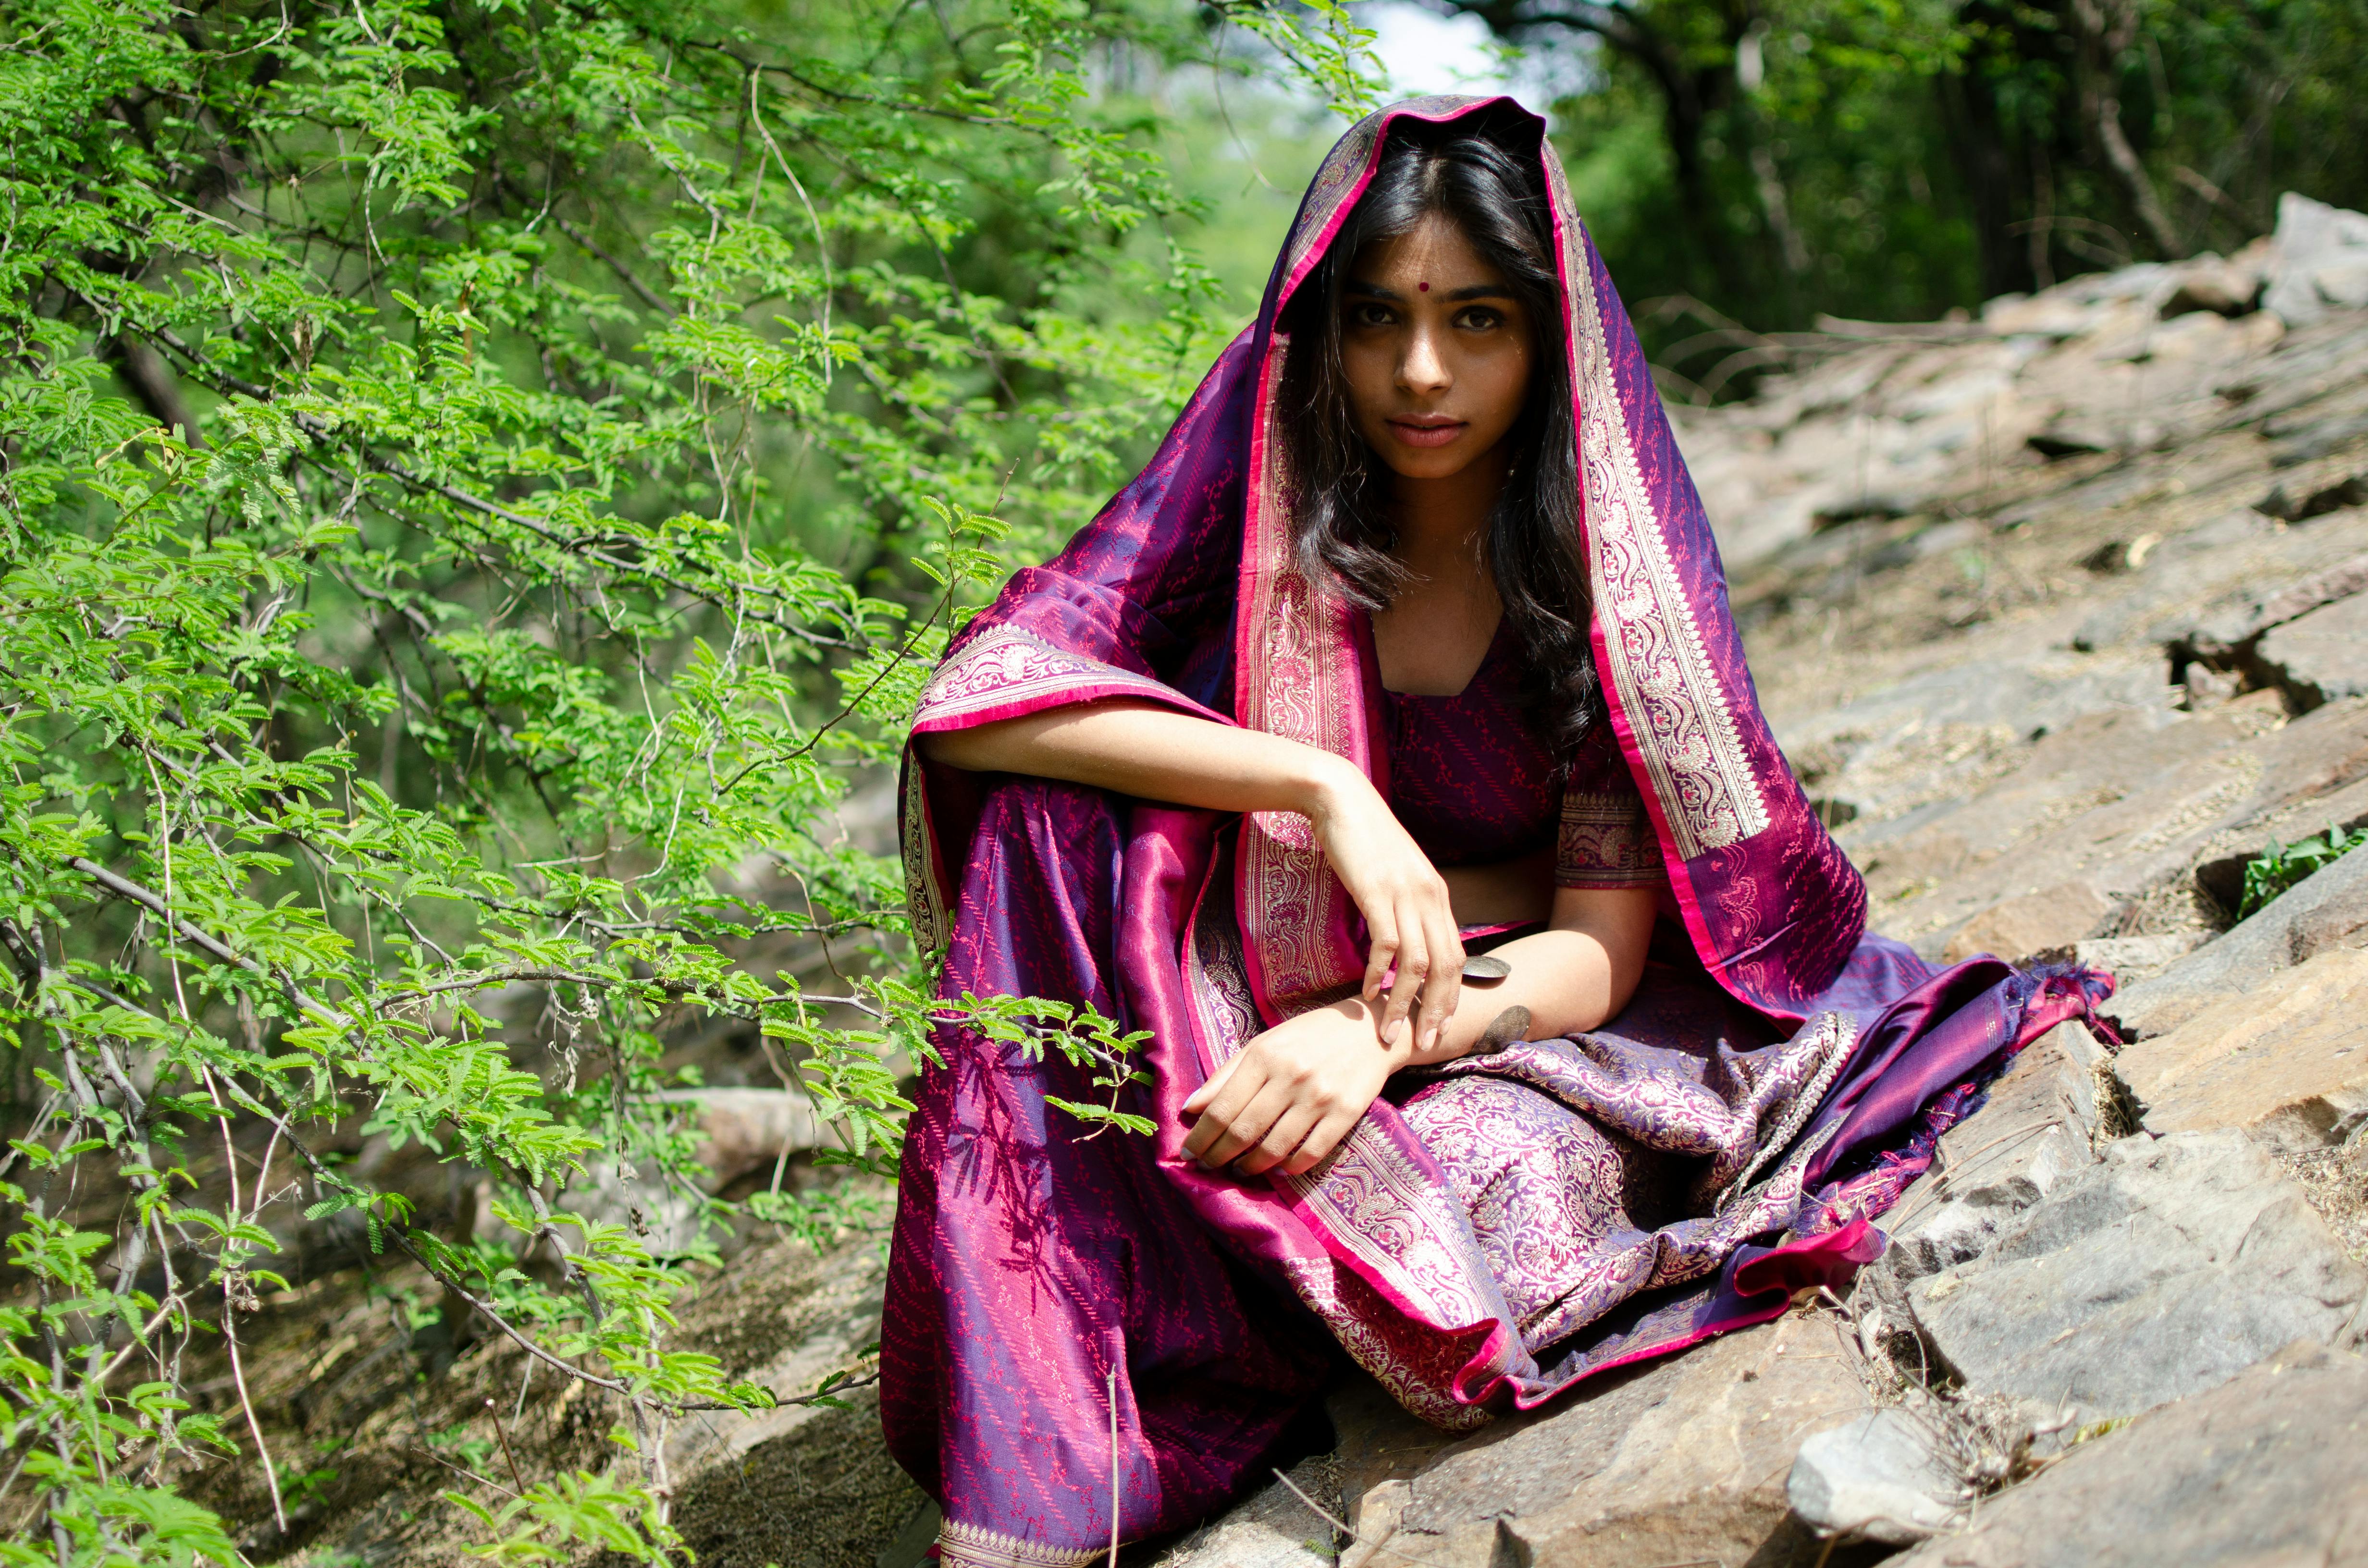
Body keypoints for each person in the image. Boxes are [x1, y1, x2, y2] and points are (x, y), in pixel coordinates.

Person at [881, 96, 2106, 1568]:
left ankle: (1206, 1318)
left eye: (1477, 321)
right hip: (1243, 973)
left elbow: (1596, 950)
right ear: (1319, 332)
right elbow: (987, 700)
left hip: (1517, 1009)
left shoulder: (1599, 570)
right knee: (1047, 818)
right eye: (1379, 321)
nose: (1420, 373)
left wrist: (1377, 1034)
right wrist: (1317, 791)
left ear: (1546, 334)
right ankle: (1051, 1424)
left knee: (1475, 1197)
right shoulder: (1259, 511)